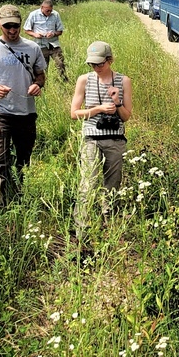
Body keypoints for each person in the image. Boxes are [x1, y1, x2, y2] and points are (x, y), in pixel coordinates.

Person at [0, 4, 46, 203]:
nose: (12, 30)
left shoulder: (32, 48)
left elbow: (41, 75)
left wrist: (37, 85)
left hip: (26, 114)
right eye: (8, 26)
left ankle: (20, 197)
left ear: (21, 24)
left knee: (24, 161)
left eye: (15, 26)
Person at [70, 40, 132, 224]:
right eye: (93, 64)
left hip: (115, 138)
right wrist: (98, 109)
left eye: (100, 63)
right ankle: (82, 224)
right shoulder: (84, 80)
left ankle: (110, 222)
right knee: (88, 182)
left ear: (110, 60)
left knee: (112, 184)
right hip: (91, 138)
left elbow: (126, 116)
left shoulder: (123, 81)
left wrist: (117, 102)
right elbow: (74, 113)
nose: (97, 67)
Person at [23, 0, 67, 79]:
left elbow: (60, 31)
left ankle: (63, 81)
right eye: (47, 11)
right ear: (42, 7)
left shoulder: (55, 14)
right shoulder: (33, 14)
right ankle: (44, 85)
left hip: (54, 45)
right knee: (43, 68)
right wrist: (35, 35)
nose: (49, 13)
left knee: (60, 64)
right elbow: (26, 30)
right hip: (41, 45)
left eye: (50, 10)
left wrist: (53, 33)